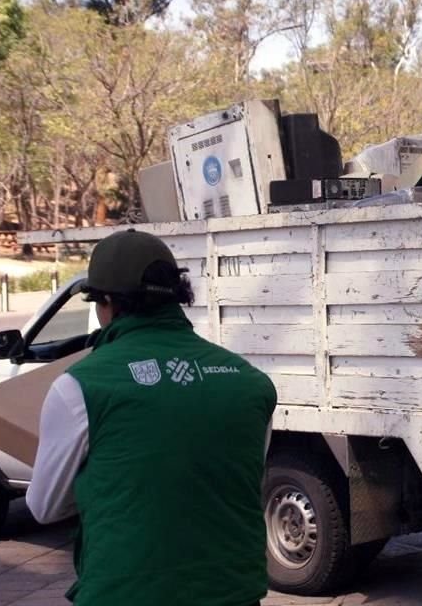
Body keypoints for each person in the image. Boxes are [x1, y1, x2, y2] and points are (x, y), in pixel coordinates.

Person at [26, 230, 277, 606]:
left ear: (106, 303)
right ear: (177, 296)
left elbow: (44, 507)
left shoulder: (80, 387)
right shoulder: (251, 383)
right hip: (234, 594)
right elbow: (234, 479)